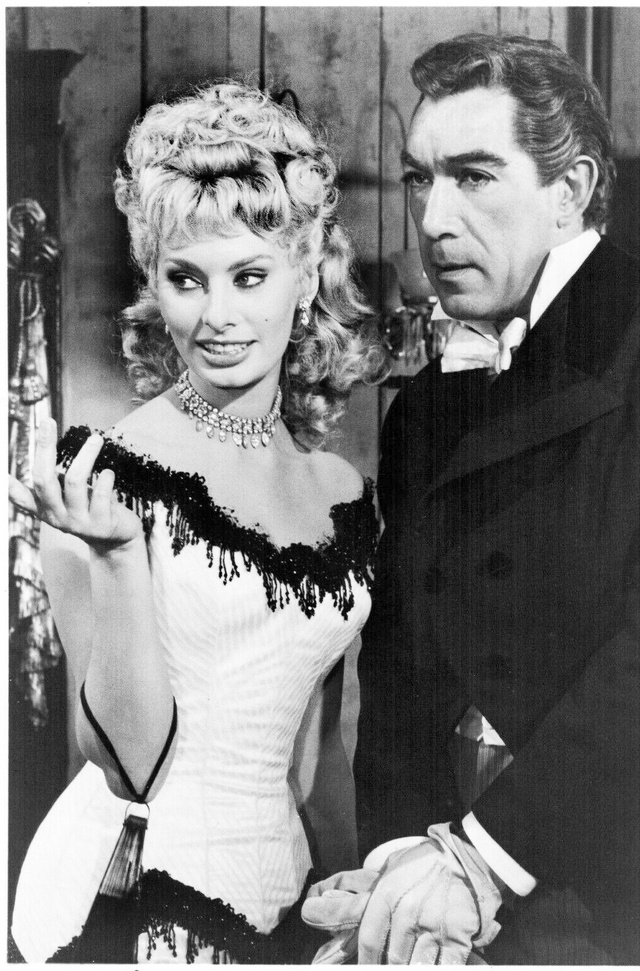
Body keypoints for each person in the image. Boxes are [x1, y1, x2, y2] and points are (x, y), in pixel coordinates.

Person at [303, 33, 640, 965]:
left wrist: (480, 859)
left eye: (473, 176)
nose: (433, 219)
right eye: (420, 180)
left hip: (635, 903)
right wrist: (401, 864)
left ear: (570, 189)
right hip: (447, 906)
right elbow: (399, 676)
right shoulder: (424, 407)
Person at [10, 80, 386, 964]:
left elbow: (317, 755)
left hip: (283, 898)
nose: (217, 316)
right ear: (155, 284)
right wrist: (117, 557)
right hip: (126, 901)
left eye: (250, 276)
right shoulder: (101, 473)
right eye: (186, 278)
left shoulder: (342, 489)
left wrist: (352, 900)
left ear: (306, 277)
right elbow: (124, 764)